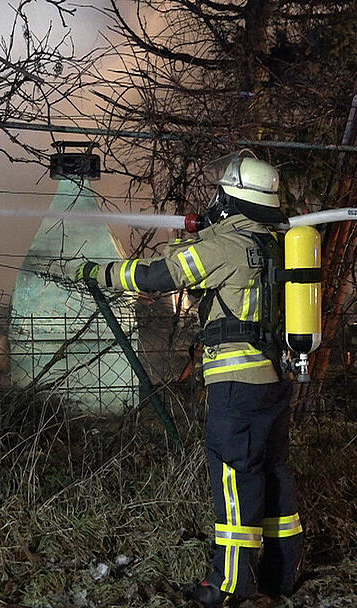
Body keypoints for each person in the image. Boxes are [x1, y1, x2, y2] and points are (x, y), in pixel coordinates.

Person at [72, 152, 303, 607]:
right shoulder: (272, 243)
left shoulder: (226, 245)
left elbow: (157, 276)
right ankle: (282, 573)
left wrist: (96, 272)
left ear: (231, 197)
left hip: (237, 386)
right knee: (273, 473)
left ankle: (231, 587)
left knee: (236, 482)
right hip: (274, 381)